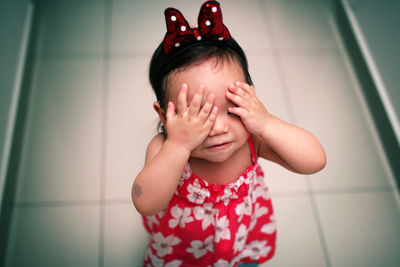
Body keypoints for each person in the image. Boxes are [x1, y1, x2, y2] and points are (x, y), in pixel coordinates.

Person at [132, 1, 326, 266]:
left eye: (232, 109)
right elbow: (146, 203)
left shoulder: (253, 140)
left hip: (239, 241)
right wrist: (177, 146)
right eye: (198, 115)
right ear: (165, 115)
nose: (219, 128)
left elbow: (315, 161)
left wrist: (267, 123)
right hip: (182, 251)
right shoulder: (164, 148)